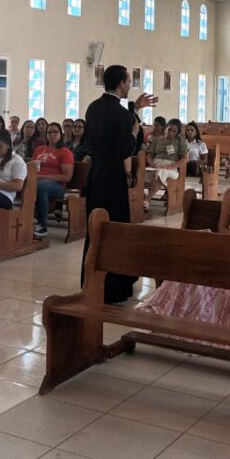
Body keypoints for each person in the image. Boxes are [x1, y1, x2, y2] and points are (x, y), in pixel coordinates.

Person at [140, 144, 230, 329]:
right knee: (192, 262)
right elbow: (221, 227)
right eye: (229, 162)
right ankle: (176, 313)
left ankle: (202, 318)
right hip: (229, 242)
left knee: (212, 269)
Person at [81, 64, 156, 303]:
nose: (129, 86)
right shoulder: (122, 115)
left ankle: (90, 281)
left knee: (95, 227)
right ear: (122, 83)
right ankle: (114, 288)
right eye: (128, 82)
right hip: (113, 177)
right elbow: (125, 147)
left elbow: (105, 130)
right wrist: (134, 133)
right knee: (113, 228)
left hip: (96, 174)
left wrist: (135, 107)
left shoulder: (93, 108)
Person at [32, 123, 75, 237]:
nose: (52, 134)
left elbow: (67, 177)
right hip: (37, 182)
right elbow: (34, 169)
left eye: (55, 132)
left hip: (57, 186)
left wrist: (42, 177)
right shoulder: (39, 150)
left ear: (60, 134)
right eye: (49, 132)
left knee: (41, 186)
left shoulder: (65, 152)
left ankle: (42, 225)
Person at [145, 119, 185, 209]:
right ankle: (140, 198)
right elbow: (149, 155)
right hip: (156, 165)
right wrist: (152, 164)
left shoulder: (180, 141)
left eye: (174, 131)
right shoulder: (157, 140)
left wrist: (170, 166)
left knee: (161, 173)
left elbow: (185, 158)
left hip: (171, 169)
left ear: (177, 132)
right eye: (169, 129)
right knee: (141, 173)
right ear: (166, 128)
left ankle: (147, 200)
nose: (170, 132)